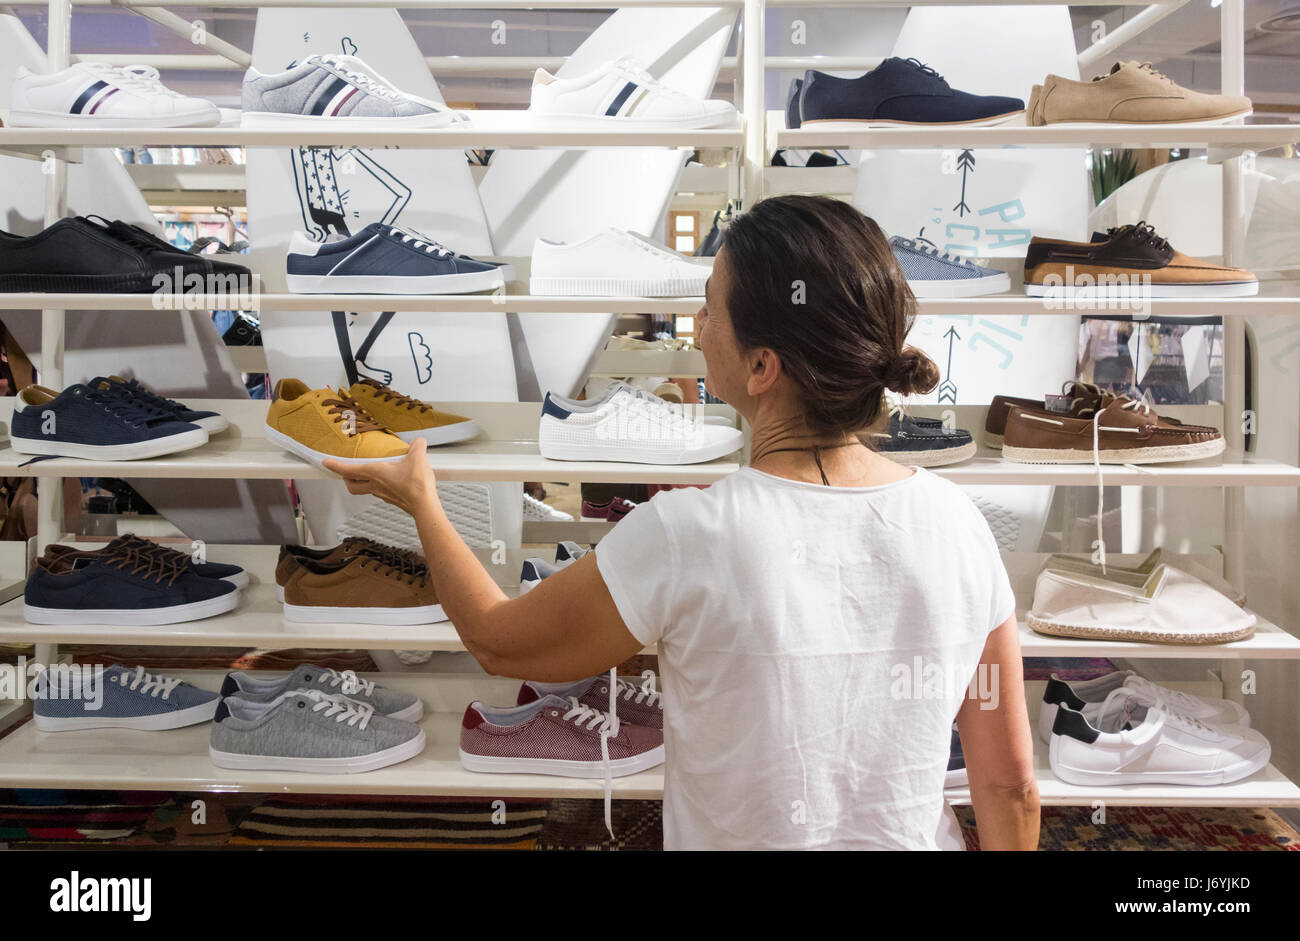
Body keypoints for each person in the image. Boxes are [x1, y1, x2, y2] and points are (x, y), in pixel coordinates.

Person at [325, 195, 1039, 851]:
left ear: (762, 365)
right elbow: (1008, 786)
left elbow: (496, 638)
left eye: (708, 309)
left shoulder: (686, 533)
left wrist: (421, 499)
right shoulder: (956, 522)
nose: (697, 328)